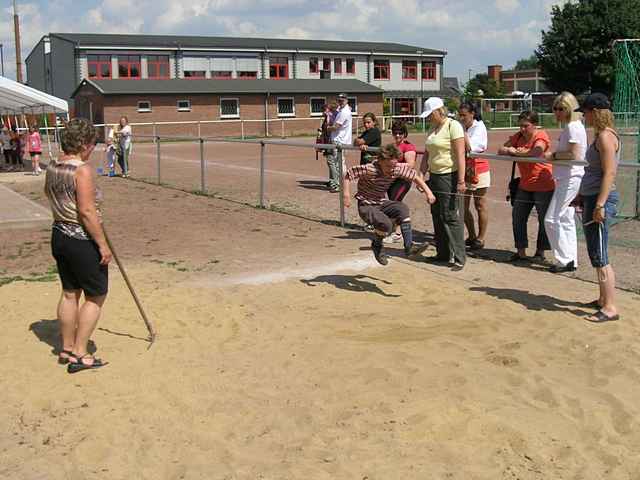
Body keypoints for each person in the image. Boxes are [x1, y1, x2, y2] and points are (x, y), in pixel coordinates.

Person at [44, 118, 112, 373]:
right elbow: (86, 211)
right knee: (96, 295)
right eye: (92, 144)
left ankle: (66, 347)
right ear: (83, 144)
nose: (92, 149)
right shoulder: (81, 169)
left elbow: (51, 196)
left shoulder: (53, 166)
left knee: (70, 293)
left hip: (59, 235)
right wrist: (102, 245)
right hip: (80, 239)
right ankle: (80, 354)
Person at [343, 143, 436, 265]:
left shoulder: (395, 167)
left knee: (402, 208)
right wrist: (346, 195)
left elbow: (415, 177)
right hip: (366, 205)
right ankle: (377, 245)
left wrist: (429, 193)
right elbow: (349, 174)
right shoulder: (370, 169)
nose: (392, 170)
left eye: (394, 166)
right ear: (380, 161)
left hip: (381, 202)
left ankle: (409, 247)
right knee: (386, 225)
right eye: (388, 166)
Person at [575, 93, 620, 322]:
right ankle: (603, 299)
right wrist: (582, 195)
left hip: (601, 199)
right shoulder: (600, 136)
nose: (584, 116)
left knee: (600, 254)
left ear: (596, 112)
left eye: (586, 112)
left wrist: (600, 204)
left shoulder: (605, 137)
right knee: (596, 252)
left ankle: (610, 307)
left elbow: (609, 172)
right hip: (593, 196)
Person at [499, 111, 554, 262]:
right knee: (518, 216)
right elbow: (501, 149)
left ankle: (540, 252)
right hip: (525, 184)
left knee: (544, 220)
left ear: (534, 125)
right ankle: (521, 251)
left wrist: (519, 154)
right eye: (521, 125)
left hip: (543, 184)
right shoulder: (518, 136)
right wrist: (511, 150)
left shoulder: (540, 135)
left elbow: (537, 151)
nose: (522, 129)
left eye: (526, 126)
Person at [419, 97, 467, 270]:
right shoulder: (433, 128)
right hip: (435, 176)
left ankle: (459, 256)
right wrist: (421, 174)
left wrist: (461, 180)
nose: (428, 118)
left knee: (449, 215)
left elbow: (460, 154)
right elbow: (426, 154)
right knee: (437, 214)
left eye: (430, 114)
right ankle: (443, 253)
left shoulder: (452, 126)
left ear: (439, 111)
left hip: (449, 176)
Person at [543, 92, 587, 273]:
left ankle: (564, 259)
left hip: (570, 176)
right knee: (565, 218)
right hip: (567, 176)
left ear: (570, 109)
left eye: (561, 109)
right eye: (555, 108)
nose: (557, 112)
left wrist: (551, 156)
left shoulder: (573, 127)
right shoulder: (572, 127)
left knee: (551, 219)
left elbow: (574, 155)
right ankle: (570, 259)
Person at [458, 102, 489, 250]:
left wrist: (461, 135)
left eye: (464, 115)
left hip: (479, 168)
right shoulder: (462, 126)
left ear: (472, 114)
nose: (462, 118)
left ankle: (481, 238)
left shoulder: (479, 127)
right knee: (463, 206)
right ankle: (471, 235)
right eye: (460, 115)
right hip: (465, 168)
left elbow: (472, 148)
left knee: (480, 204)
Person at [384, 121, 417, 243]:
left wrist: (394, 164)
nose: (397, 135)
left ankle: (397, 233)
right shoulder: (392, 146)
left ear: (404, 134)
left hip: (403, 180)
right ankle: (394, 231)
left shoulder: (408, 147)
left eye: (400, 133)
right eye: (395, 133)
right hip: (392, 180)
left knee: (395, 204)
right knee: (392, 204)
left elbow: (410, 164)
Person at [326, 93, 353, 192]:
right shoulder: (342, 110)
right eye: (339, 100)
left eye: (342, 100)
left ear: (346, 100)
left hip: (340, 141)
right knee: (339, 163)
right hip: (339, 140)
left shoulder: (344, 112)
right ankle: (341, 184)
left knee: (339, 164)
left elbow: (336, 126)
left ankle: (340, 184)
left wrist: (328, 128)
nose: (340, 102)